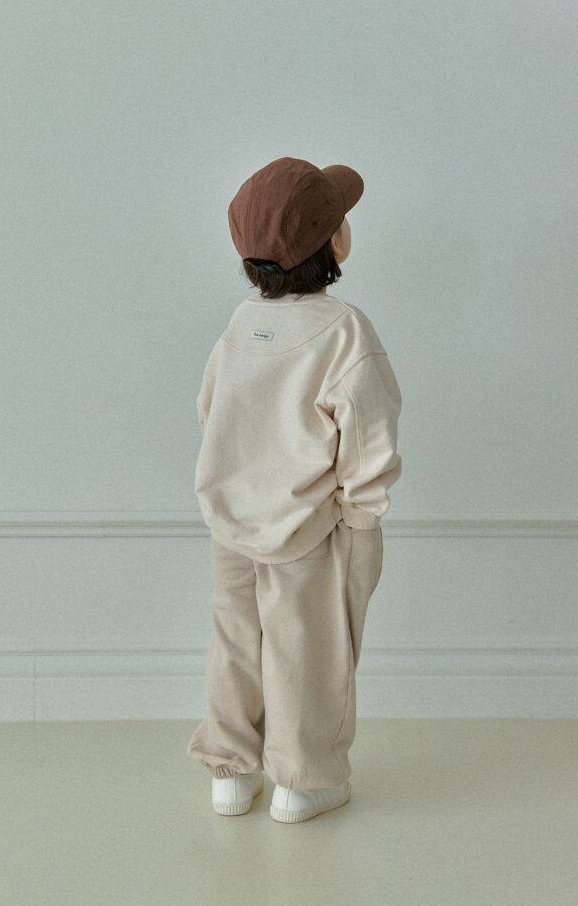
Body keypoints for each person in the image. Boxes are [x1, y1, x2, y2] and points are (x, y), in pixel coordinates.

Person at [186, 157, 402, 823]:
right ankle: (303, 781)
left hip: (232, 522)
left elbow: (211, 411)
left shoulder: (240, 324)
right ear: (335, 242)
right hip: (311, 529)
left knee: (237, 643)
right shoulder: (343, 331)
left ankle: (231, 771)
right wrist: (363, 516)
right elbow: (367, 433)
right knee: (308, 653)